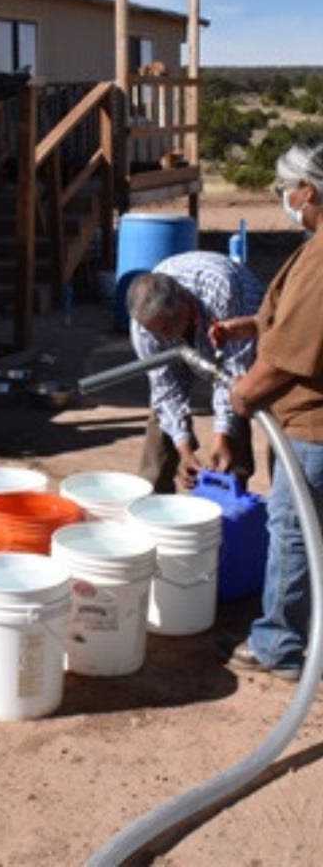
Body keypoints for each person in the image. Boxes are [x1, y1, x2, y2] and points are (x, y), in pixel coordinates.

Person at [215, 142, 323, 682]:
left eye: (287, 191)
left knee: (294, 531)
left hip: (311, 425)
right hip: (308, 424)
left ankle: (279, 644)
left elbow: (289, 356)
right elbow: (291, 321)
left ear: (308, 191)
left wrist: (243, 395)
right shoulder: (314, 246)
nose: (285, 200)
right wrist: (250, 326)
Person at [125, 251, 264, 492]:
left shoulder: (222, 291)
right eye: (155, 331)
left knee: (241, 398)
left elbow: (233, 369)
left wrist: (222, 436)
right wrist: (184, 450)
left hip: (238, 332)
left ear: (185, 302)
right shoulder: (145, 326)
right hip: (192, 332)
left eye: (166, 328)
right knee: (162, 420)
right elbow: (165, 390)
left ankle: (230, 491)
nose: (160, 337)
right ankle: (151, 500)